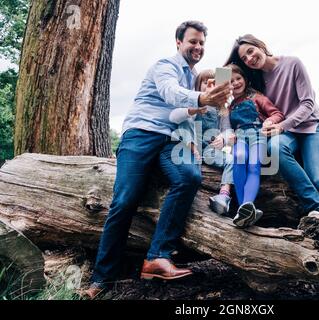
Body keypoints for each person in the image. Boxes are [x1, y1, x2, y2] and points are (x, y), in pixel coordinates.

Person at [80, 21, 233, 299]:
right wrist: (202, 96)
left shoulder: (194, 76)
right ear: (178, 42)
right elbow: (169, 93)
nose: (198, 47)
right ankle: (102, 279)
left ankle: (158, 257)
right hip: (140, 134)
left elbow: (183, 112)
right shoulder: (166, 65)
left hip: (169, 141)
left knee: (189, 177)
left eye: (201, 43)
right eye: (192, 41)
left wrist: (211, 106)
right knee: (125, 200)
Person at [225, 34, 319, 223]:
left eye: (251, 51)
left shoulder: (292, 64)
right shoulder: (255, 78)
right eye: (244, 58)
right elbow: (226, 74)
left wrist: (281, 126)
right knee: (274, 148)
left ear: (260, 46)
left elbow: (307, 103)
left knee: (318, 181)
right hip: (286, 133)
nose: (249, 59)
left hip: (310, 126)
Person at [223, 63, 284, 228]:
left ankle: (245, 206)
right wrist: (229, 133)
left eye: (238, 78)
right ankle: (246, 209)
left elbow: (277, 113)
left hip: (258, 135)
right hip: (240, 137)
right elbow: (226, 126)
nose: (235, 83)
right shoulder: (229, 106)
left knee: (253, 165)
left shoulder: (257, 97)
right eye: (230, 81)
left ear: (245, 79)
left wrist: (270, 121)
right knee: (239, 157)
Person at [169, 69, 236, 215]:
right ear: (198, 86)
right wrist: (195, 108)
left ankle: (224, 195)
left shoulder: (222, 108)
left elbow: (228, 130)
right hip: (193, 148)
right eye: (206, 83)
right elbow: (176, 118)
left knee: (232, 160)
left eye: (213, 83)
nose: (209, 86)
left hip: (210, 150)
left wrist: (223, 138)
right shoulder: (194, 103)